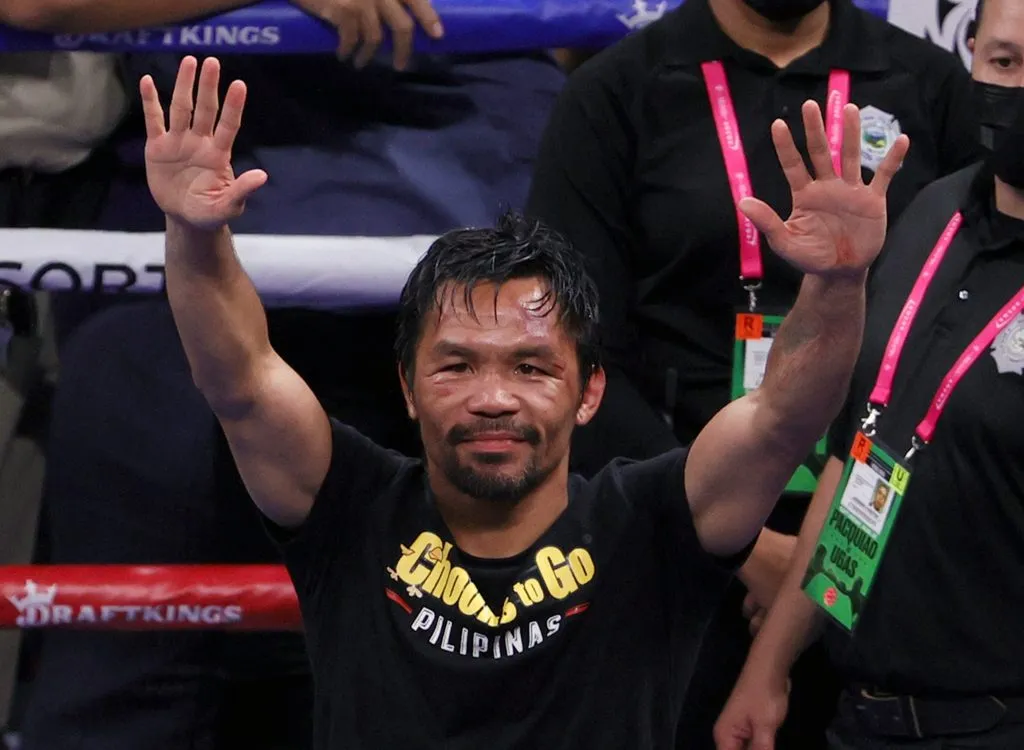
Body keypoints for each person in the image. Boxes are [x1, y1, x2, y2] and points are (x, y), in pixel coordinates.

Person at [138, 52, 906, 747]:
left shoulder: (650, 522)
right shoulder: (349, 506)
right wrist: (193, 231)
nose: (494, 398)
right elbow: (238, 378)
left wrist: (837, 284)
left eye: (533, 367)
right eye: (456, 367)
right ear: (406, 386)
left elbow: (783, 418)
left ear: (589, 390)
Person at [524, 0, 982, 744]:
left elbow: (967, 323)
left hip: (883, 534)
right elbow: (573, 351)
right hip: (668, 533)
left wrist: (826, 559)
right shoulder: (618, 92)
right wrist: (731, 537)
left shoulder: (929, 85)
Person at [715, 1, 1024, 747]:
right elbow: (868, 456)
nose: (1021, 87)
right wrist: (770, 665)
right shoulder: (930, 210)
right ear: (970, 53)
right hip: (860, 716)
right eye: (1007, 63)